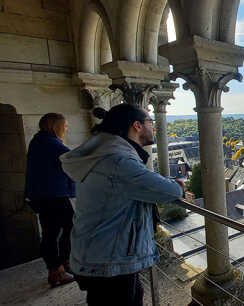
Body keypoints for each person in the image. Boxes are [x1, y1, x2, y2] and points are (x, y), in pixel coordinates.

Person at [60, 104, 185, 306]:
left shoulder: (105, 152)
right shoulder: (118, 161)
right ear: (137, 126)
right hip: (110, 261)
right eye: (150, 122)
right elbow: (168, 191)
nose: (153, 127)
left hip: (99, 254)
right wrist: (177, 185)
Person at [25, 113, 76, 287]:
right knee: (57, 231)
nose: (66, 129)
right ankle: (57, 269)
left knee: (56, 230)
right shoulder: (50, 144)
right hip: (52, 195)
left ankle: (61, 264)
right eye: (64, 125)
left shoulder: (39, 141)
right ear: (55, 126)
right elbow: (75, 159)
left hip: (46, 194)